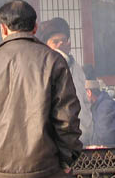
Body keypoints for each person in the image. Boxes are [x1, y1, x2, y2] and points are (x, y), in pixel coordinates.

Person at [0, 0, 82, 178]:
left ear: (3, 29)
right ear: (35, 27)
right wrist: (65, 160)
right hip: (48, 171)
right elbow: (67, 119)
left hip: (0, 174)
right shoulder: (53, 61)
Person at [37, 17, 93, 146]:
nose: (60, 44)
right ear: (46, 45)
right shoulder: (44, 69)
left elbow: (85, 101)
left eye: (63, 40)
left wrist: (89, 127)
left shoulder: (77, 68)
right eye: (55, 42)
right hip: (60, 145)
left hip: (83, 139)